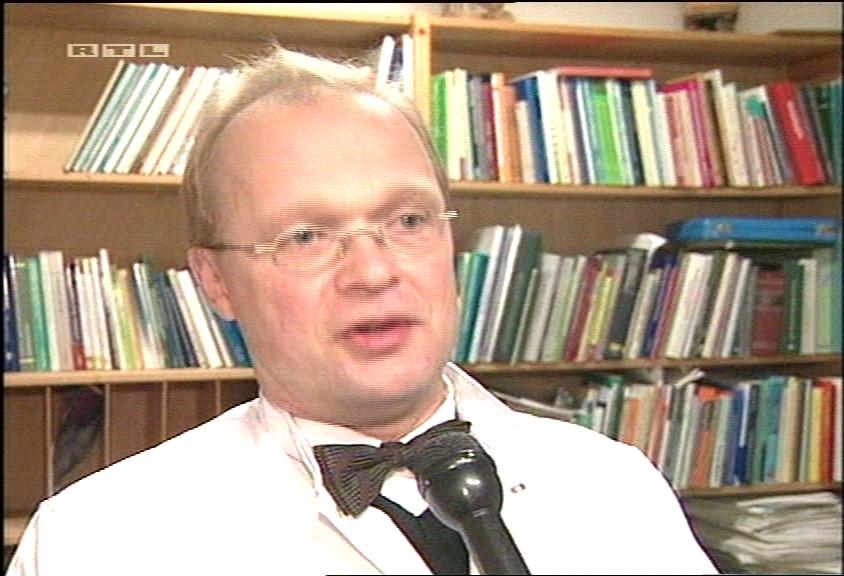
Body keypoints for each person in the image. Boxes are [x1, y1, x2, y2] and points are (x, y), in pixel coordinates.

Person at [7, 46, 718, 575]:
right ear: (216, 282)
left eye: (407, 220)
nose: (374, 272)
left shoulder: (616, 485)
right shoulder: (95, 540)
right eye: (305, 237)